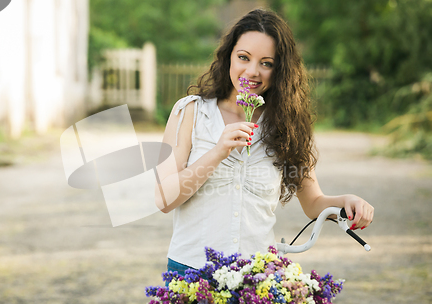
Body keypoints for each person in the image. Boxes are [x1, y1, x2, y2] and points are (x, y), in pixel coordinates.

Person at [154, 8, 374, 276]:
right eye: (243, 57)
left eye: (266, 63)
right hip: (190, 273)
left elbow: (313, 202)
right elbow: (164, 198)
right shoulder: (191, 112)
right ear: (228, 57)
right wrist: (217, 152)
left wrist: (346, 201)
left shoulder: (288, 125)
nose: (252, 71)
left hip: (257, 278)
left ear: (280, 69)